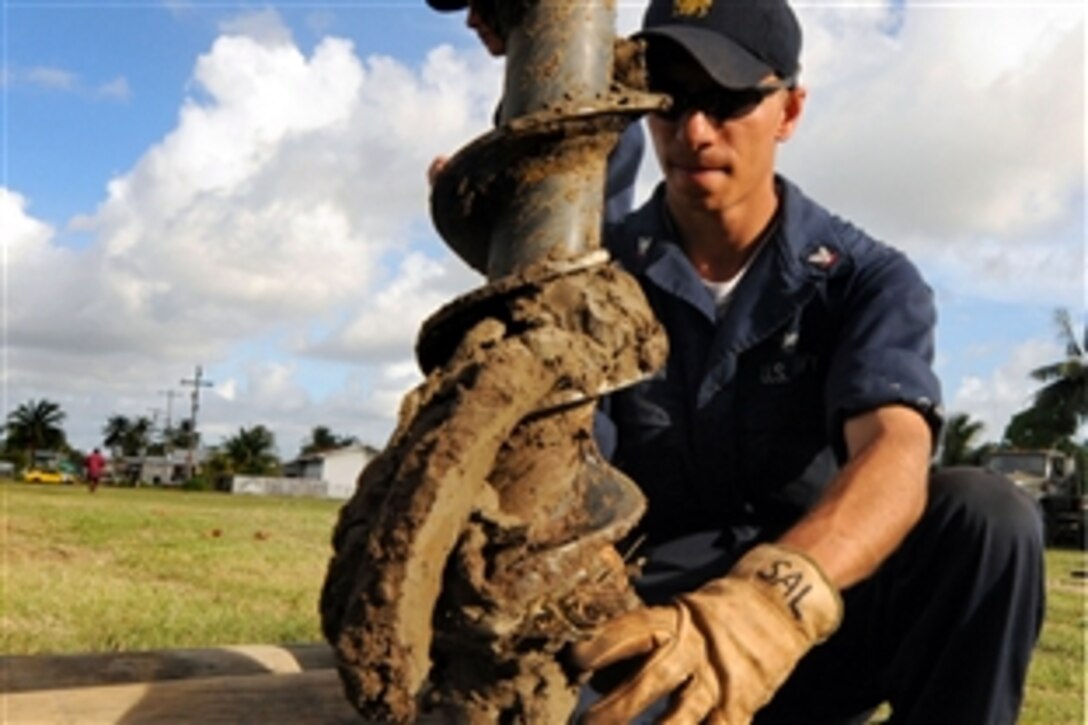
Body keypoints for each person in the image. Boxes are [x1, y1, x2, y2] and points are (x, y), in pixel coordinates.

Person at [571, 1, 1046, 723]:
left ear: (789, 110)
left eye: (729, 99)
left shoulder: (865, 279)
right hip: (647, 634)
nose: (695, 131)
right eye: (670, 101)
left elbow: (895, 446)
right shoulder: (598, 276)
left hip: (810, 631)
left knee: (987, 516)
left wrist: (770, 600)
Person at [425, 0, 645, 225]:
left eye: (483, 2)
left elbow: (548, 227)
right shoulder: (533, 101)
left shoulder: (588, 105)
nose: (471, 21)